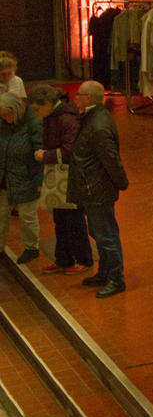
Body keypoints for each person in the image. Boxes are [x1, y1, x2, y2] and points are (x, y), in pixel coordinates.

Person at [70, 81, 128, 297]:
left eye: (79, 94)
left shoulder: (98, 125)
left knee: (106, 235)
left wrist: (121, 182)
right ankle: (105, 272)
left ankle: (116, 277)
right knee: (98, 232)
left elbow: (110, 159)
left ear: (90, 98)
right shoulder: (92, 118)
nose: (76, 98)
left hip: (97, 187)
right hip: (91, 185)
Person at [29, 85, 92, 275]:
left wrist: (45, 155)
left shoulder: (66, 119)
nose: (37, 114)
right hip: (59, 177)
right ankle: (63, 259)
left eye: (37, 109)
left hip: (71, 177)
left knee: (74, 219)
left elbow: (70, 151)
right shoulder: (54, 116)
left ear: (47, 104)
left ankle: (84, 259)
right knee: (61, 219)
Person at [0, 91, 42, 264]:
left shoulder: (34, 124)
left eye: (7, 115)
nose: (5, 118)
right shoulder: (3, 123)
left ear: (15, 109)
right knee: (1, 214)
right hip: (5, 177)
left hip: (27, 178)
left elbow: (40, 153)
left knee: (27, 216)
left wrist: (39, 181)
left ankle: (32, 248)